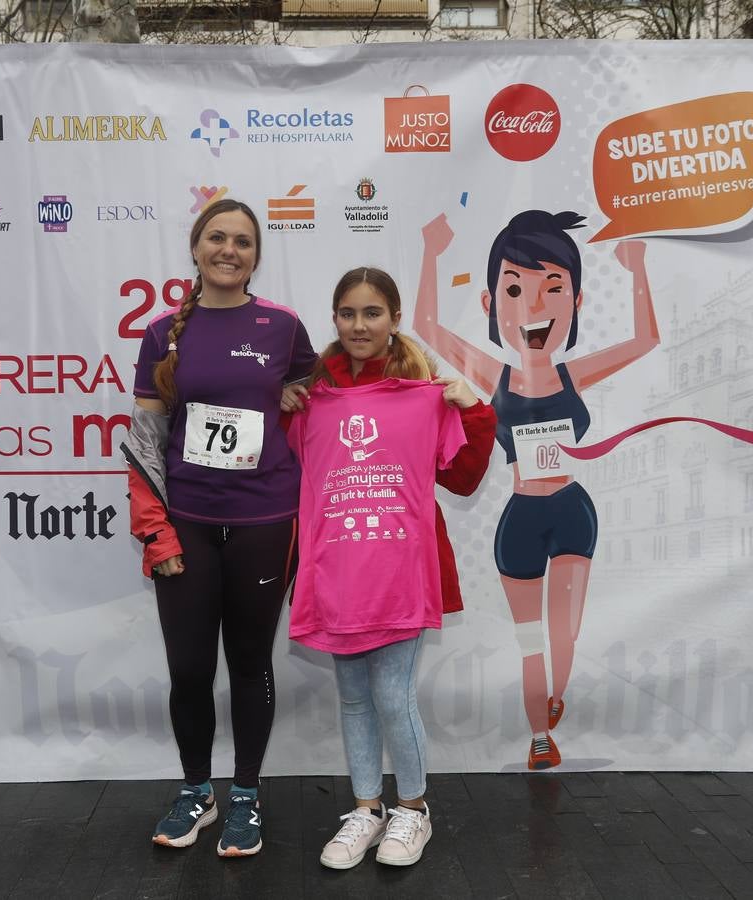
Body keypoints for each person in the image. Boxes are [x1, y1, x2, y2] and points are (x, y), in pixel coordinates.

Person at [416, 209, 658, 770]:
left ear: (575, 302)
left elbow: (646, 338)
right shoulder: (492, 374)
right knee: (531, 642)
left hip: (572, 511)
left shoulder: (575, 375)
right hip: (521, 519)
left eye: (554, 288)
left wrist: (638, 267)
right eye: (515, 288)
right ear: (489, 304)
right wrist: (431, 253)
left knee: (563, 635)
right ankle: (539, 737)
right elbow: (428, 328)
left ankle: (555, 697)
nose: (535, 305)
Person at [284, 267, 494, 869]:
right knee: (353, 698)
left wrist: (472, 408)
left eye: (372, 312)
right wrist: (280, 408)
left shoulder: (423, 393)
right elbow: (271, 467)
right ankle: (366, 809)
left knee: (392, 694)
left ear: (395, 319)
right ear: (334, 319)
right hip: (337, 573)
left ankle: (415, 810)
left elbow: (464, 475)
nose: (358, 325)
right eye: (347, 313)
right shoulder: (312, 399)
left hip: (400, 573)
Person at [124, 198, 316, 857]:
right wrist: (156, 530)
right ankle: (195, 789)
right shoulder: (161, 334)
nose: (228, 249)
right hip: (190, 525)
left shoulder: (283, 328)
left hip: (266, 520)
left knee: (249, 661)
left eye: (242, 241)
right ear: (196, 247)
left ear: (256, 256)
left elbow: (323, 396)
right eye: (216, 238)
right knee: (188, 668)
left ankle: (246, 796)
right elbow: (147, 438)